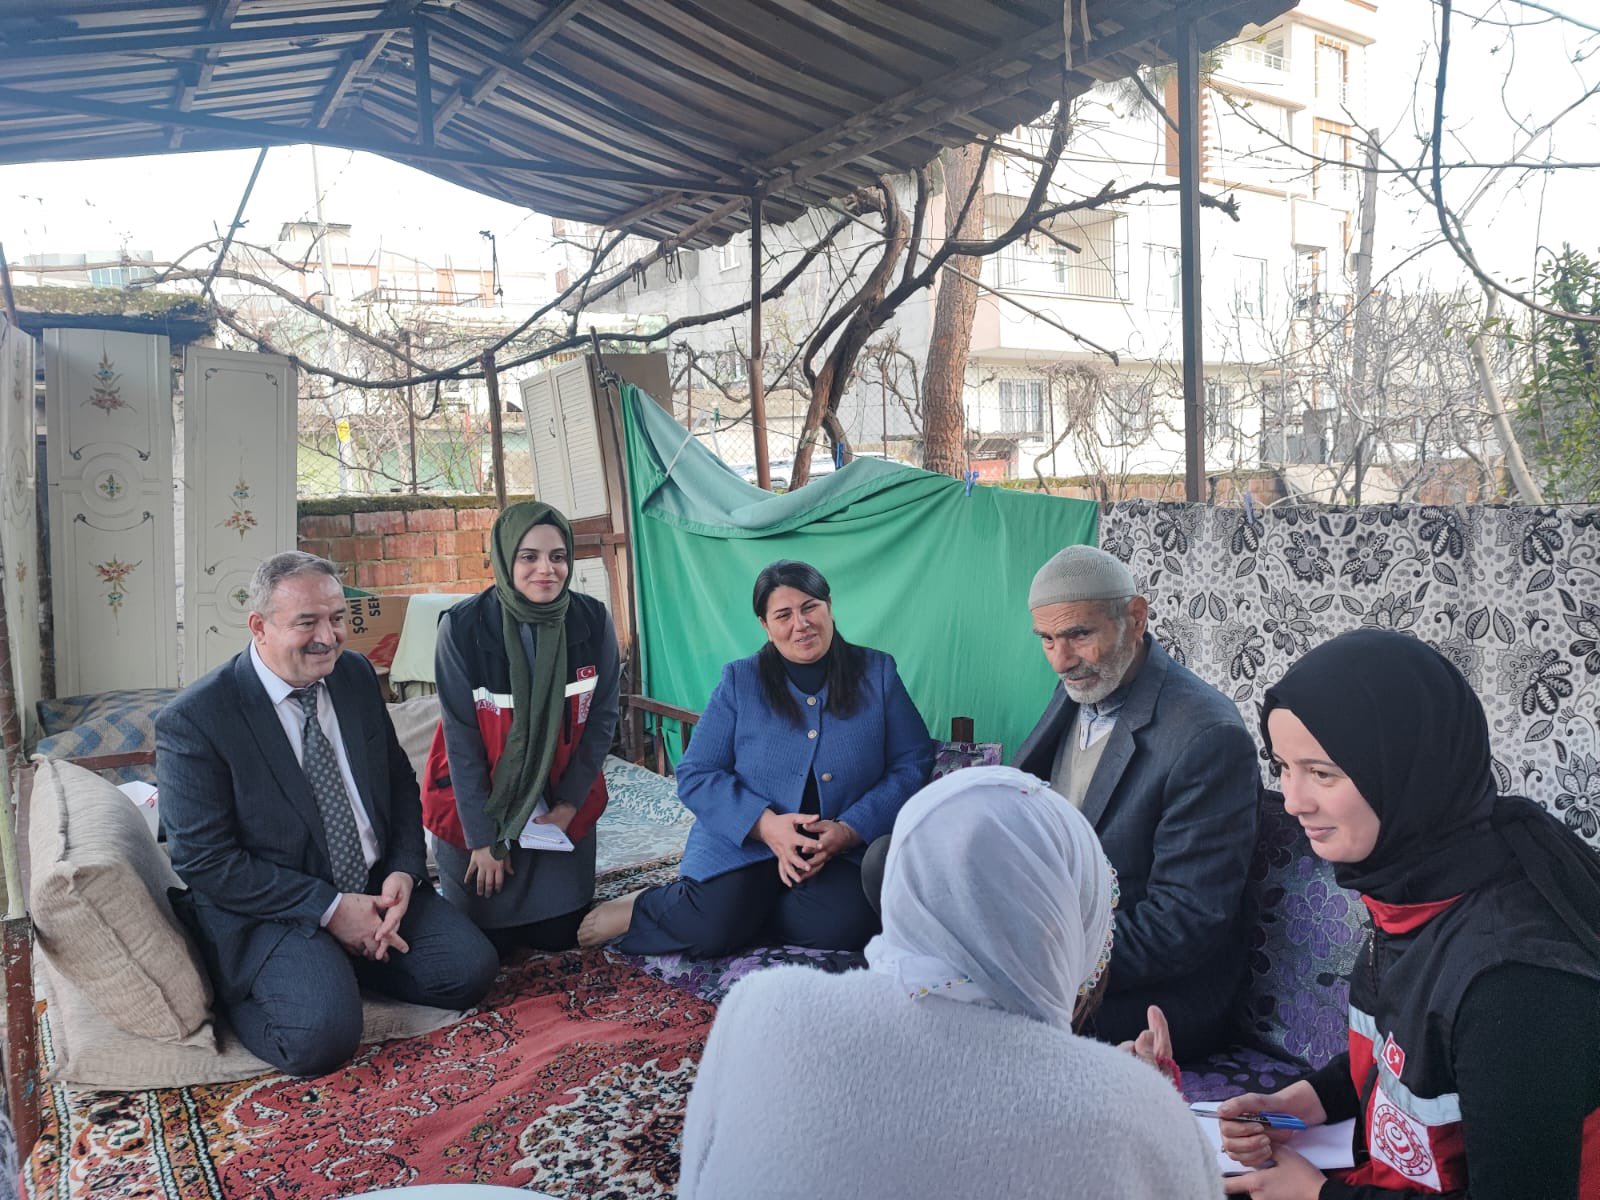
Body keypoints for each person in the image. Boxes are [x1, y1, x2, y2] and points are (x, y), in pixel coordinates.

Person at [677, 766, 1222, 1200]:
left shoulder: (763, 1008)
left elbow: (697, 1180)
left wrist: (1115, 1092)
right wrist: (1133, 1100)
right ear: (1069, 917)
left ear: (904, 880)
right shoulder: (1138, 1115)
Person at [1216, 629, 1600, 1200]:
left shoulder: (1515, 981)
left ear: (1405, 772)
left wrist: (1320, 1196)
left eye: (1322, 773)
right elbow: (1405, 1051)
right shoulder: (1411, 889)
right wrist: (1301, 1102)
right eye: (1283, 767)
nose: (1293, 800)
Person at [157, 552, 498, 1076]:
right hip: (275, 907)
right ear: (259, 627)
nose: (328, 636)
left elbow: (396, 782)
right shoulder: (196, 719)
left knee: (469, 972)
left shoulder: (354, 674)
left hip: (374, 884)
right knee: (322, 1039)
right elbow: (204, 860)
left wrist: (404, 870)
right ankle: (280, 983)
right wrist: (331, 910)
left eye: (337, 618)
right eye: (307, 622)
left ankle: (340, 964)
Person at [578, 559, 933, 955]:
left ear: (829, 606)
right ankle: (645, 905)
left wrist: (850, 829)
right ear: (765, 624)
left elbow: (913, 760)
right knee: (711, 932)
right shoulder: (740, 681)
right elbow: (696, 772)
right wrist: (766, 826)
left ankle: (742, 913)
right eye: (783, 615)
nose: (801, 624)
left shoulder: (877, 672)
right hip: (746, 842)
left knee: (844, 928)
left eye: (810, 607)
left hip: (835, 850)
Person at [1008, 543, 1259, 1055]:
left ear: (1136, 618)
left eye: (1079, 634)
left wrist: (1042, 957)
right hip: (1057, 930)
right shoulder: (1083, 684)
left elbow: (1182, 923)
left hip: (1147, 987)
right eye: (1047, 640)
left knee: (982, 1019)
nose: (1060, 660)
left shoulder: (1206, 736)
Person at [420, 501, 619, 953]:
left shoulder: (591, 621)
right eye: (529, 556)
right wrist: (482, 840)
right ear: (505, 557)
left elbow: (602, 718)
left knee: (562, 935)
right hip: (479, 803)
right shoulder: (463, 628)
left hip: (557, 803)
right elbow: (461, 741)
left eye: (558, 556)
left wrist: (569, 803)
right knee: (484, 943)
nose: (546, 569)